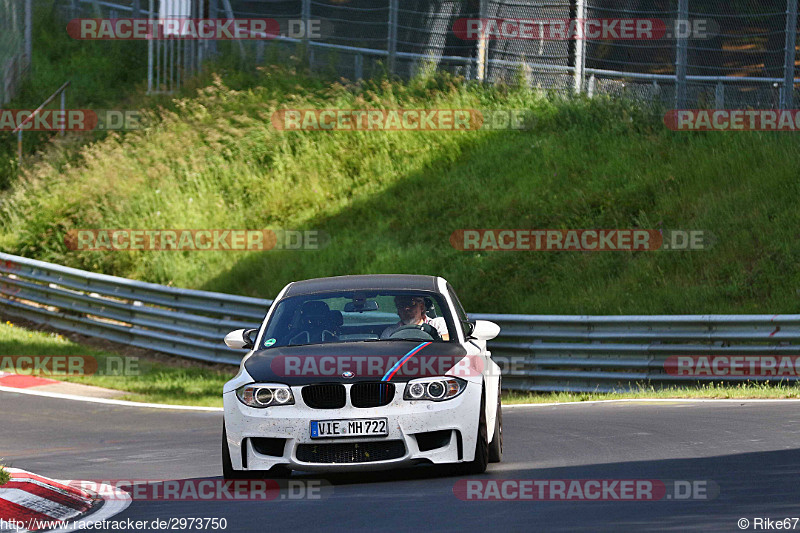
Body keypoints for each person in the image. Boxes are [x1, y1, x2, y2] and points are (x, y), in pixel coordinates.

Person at [380, 295, 449, 341]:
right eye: (401, 305)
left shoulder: (438, 324)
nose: (406, 308)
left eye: (411, 303)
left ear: (421, 307)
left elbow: (449, 343)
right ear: (398, 310)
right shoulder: (390, 332)